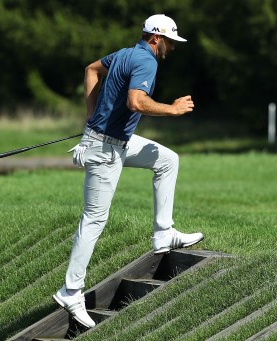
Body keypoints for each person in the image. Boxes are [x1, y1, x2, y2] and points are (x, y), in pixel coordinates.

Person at [52, 14, 204, 328]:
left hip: (114, 141)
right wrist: (171, 109)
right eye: (171, 42)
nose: (172, 48)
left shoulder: (124, 53)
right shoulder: (147, 61)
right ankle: (71, 290)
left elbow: (91, 69)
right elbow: (137, 102)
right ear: (156, 38)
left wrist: (93, 114)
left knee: (167, 159)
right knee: (94, 219)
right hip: (105, 150)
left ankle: (164, 233)